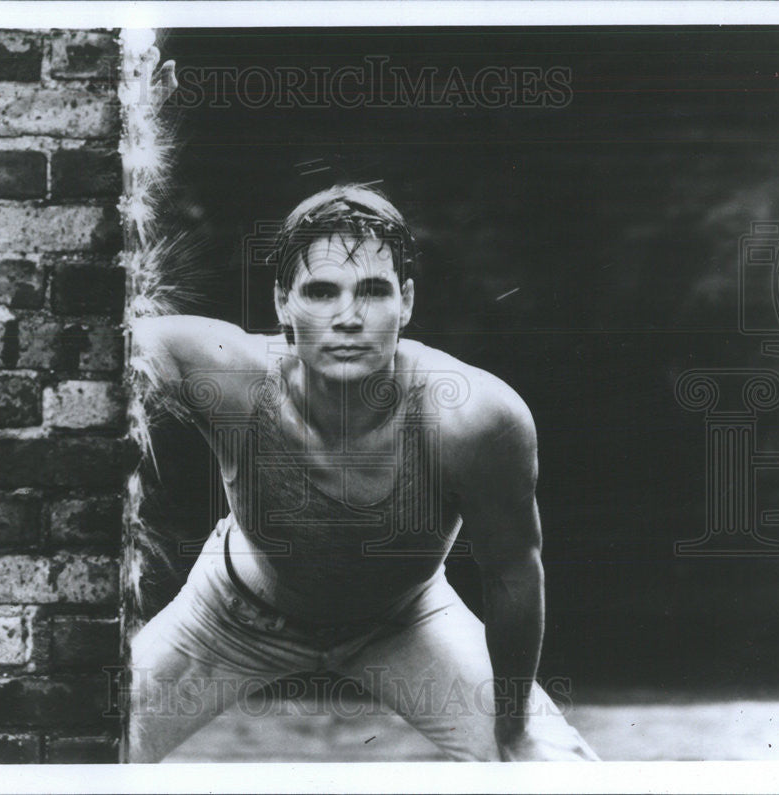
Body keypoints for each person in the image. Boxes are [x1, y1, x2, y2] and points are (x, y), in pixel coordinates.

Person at [126, 59, 599, 763]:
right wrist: (128, 140)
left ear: (406, 300)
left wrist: (510, 730)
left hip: (404, 617)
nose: (347, 316)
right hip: (231, 612)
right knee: (80, 739)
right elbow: (92, 338)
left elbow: (512, 572)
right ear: (284, 301)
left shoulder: (474, 415)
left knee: (554, 769)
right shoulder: (227, 375)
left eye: (372, 290)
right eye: (321, 292)